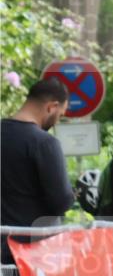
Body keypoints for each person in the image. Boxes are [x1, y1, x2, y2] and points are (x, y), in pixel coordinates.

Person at [1, 78, 73, 260]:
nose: (57, 122)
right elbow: (61, 201)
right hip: (31, 252)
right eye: (60, 115)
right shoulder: (44, 143)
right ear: (51, 107)